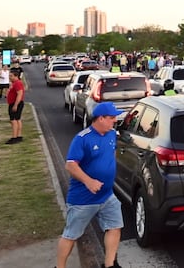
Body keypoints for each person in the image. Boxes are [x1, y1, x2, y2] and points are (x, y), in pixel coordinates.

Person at [56, 102, 123, 268]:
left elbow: (111, 153)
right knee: (71, 235)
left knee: (115, 227)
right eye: (112, 118)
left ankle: (109, 265)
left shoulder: (112, 134)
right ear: (101, 118)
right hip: (83, 198)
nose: (115, 120)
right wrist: (89, 181)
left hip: (107, 195)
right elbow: (70, 165)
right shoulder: (82, 139)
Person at [5, 69, 25, 144]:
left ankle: (14, 137)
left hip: (15, 103)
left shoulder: (17, 83)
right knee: (17, 119)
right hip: (14, 103)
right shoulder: (14, 83)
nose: (9, 77)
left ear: (16, 76)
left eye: (11, 76)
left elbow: (20, 94)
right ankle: (18, 136)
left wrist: (15, 105)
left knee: (13, 121)